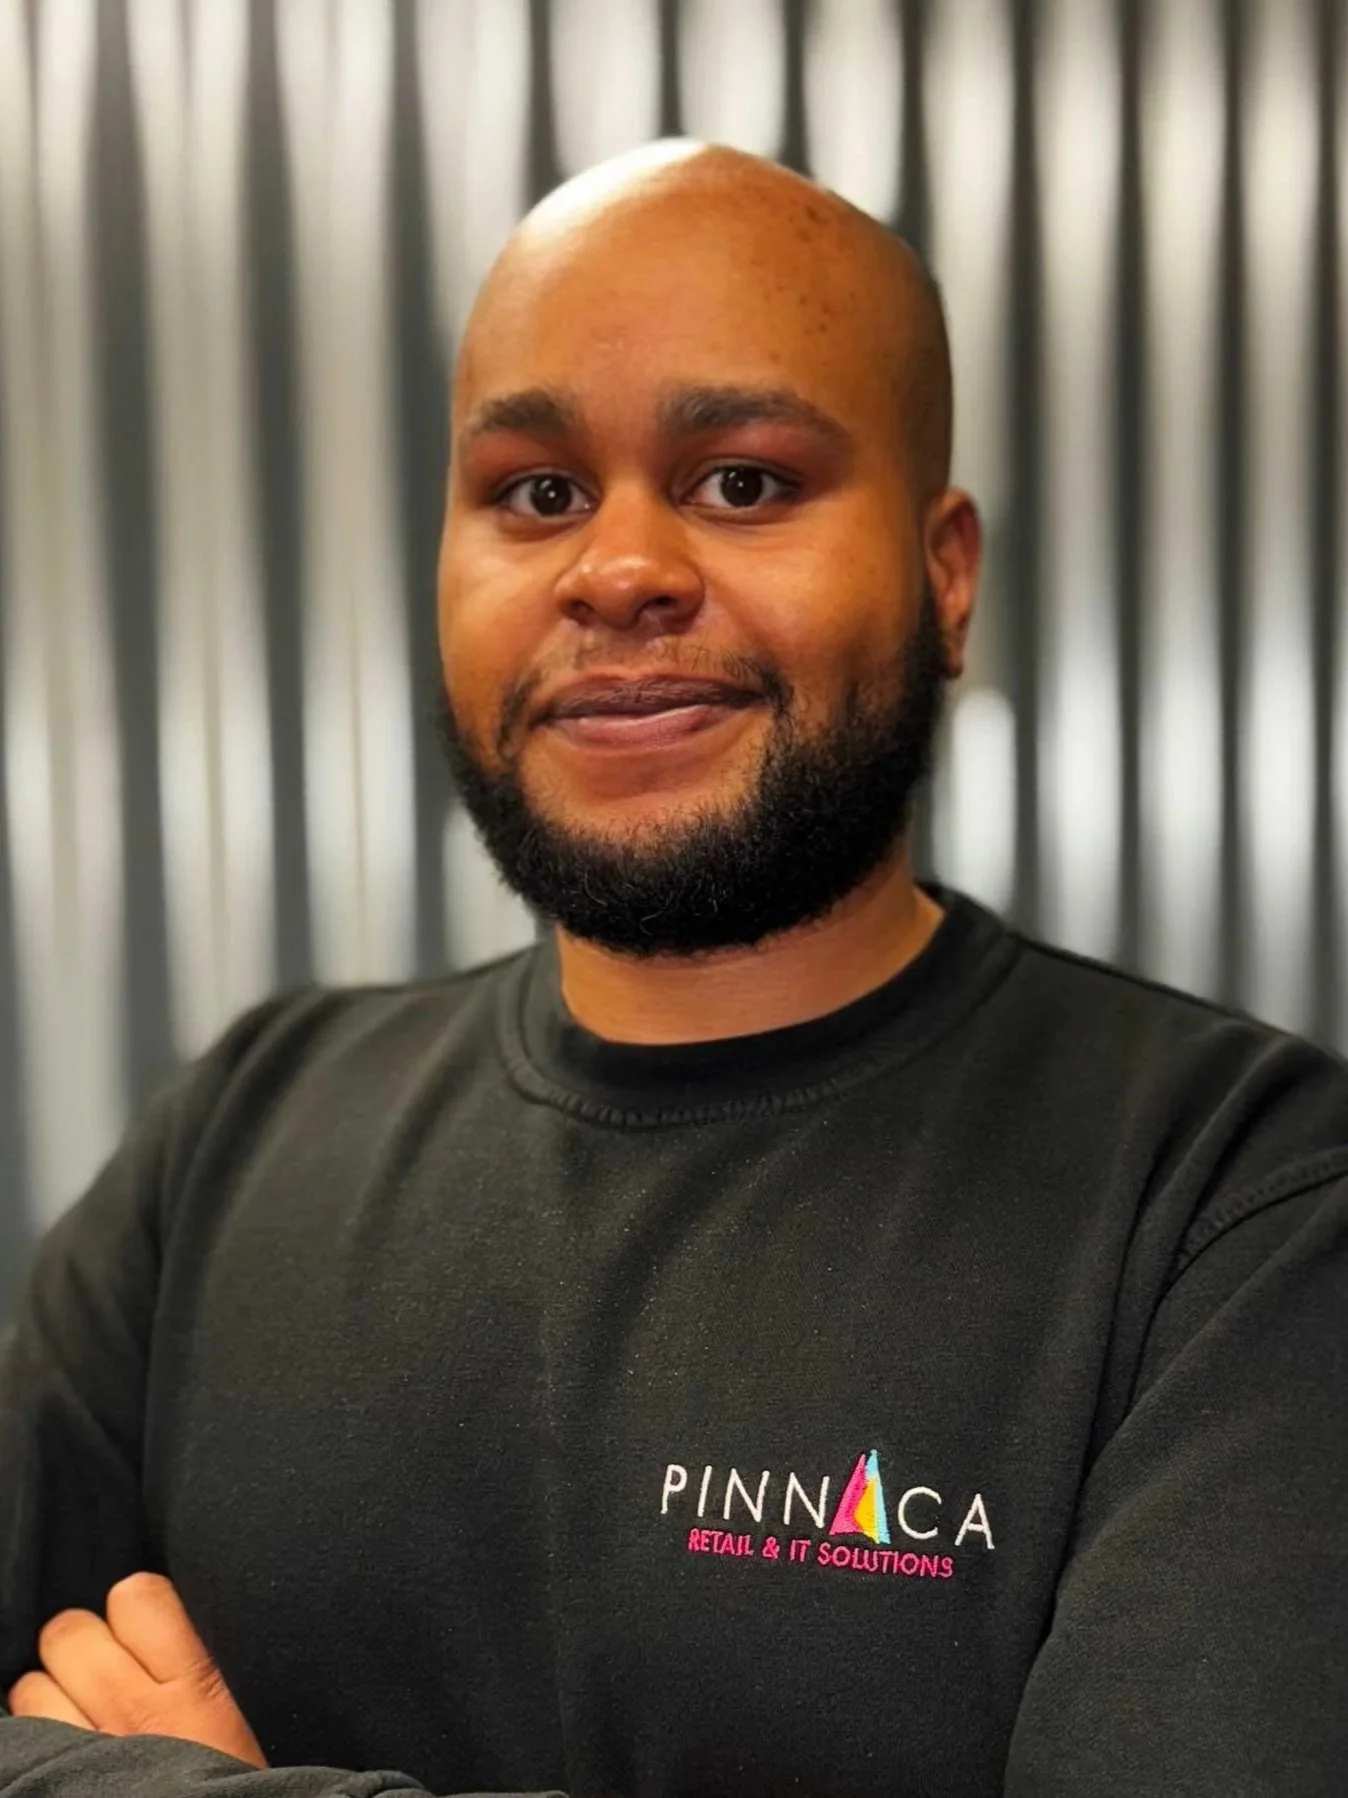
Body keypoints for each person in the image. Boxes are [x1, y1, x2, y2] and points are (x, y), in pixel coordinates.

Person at [1, 138, 1345, 1798]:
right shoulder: (230, 1142)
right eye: (539, 493)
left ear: (945, 574)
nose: (616, 570)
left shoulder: (1245, 1202)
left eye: (744, 481)